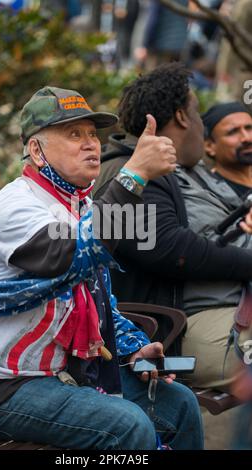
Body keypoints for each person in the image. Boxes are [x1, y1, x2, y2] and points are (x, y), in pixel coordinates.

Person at [0, 86, 203, 450]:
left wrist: (132, 348)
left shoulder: (79, 203)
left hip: (63, 370)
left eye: (92, 134)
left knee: (181, 404)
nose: (91, 144)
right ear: (36, 151)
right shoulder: (15, 205)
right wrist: (133, 175)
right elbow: (75, 256)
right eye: (74, 134)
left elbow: (95, 291)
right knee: (128, 426)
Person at [93, 62, 252, 392]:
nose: (202, 128)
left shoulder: (182, 170)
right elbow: (170, 248)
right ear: (182, 116)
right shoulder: (131, 170)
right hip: (168, 337)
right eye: (198, 114)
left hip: (217, 312)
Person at [203, 101, 252, 198]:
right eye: (233, 132)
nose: (246, 138)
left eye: (249, 128)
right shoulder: (211, 195)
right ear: (209, 146)